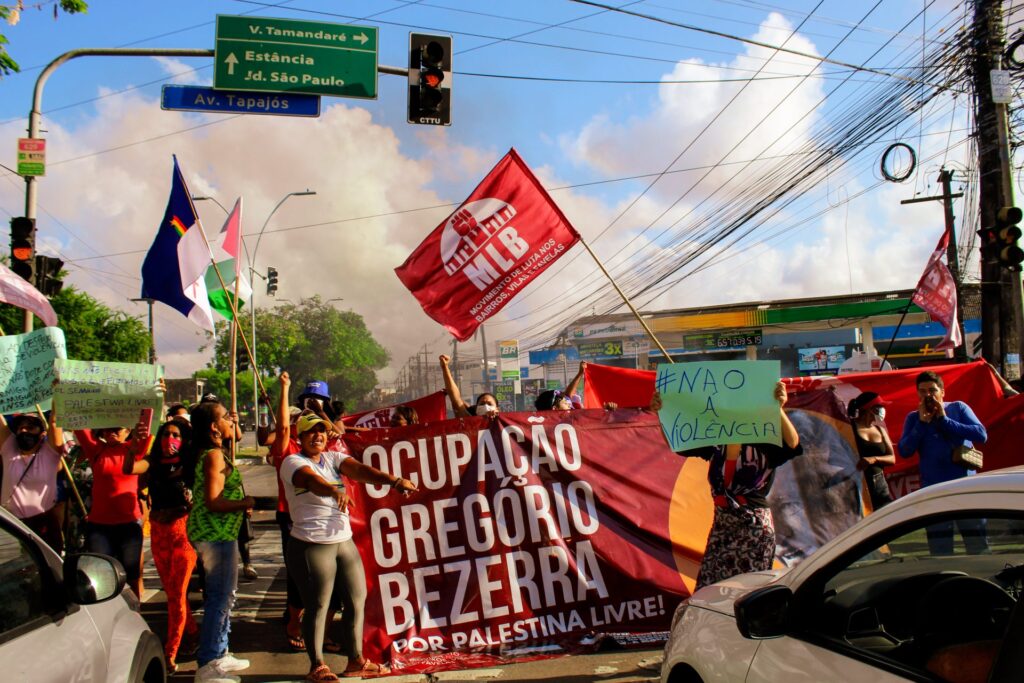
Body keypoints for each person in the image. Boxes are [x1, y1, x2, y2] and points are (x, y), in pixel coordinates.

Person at [282, 412, 417, 681]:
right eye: (310, 432)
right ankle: (317, 665)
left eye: (321, 431)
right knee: (318, 605)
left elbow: (360, 470)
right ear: (300, 437)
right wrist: (333, 492)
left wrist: (393, 480)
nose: (317, 436)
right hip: (311, 543)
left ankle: (356, 660)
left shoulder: (333, 458)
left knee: (357, 600)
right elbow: (310, 481)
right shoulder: (292, 461)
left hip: (343, 541)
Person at [653, 381, 802, 589]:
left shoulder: (764, 440)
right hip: (722, 527)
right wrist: (663, 412)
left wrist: (778, 408)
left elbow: (793, 442)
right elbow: (677, 442)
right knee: (709, 591)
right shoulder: (716, 440)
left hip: (754, 530)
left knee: (746, 593)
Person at [187, 400, 256, 682]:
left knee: (224, 596)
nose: (232, 420)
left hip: (220, 534)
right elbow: (214, 501)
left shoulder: (215, 453)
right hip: (215, 535)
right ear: (214, 427)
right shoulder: (214, 456)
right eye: (226, 417)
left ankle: (221, 652)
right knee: (220, 597)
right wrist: (244, 503)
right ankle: (209, 663)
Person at [130, 417, 199, 673]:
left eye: (176, 435)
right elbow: (130, 469)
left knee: (178, 595)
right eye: (166, 434)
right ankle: (191, 631)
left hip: (183, 533)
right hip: (158, 533)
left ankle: (171, 651)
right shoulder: (153, 464)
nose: (170, 439)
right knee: (171, 593)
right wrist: (136, 443)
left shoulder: (190, 464)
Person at [898, 370, 988, 555]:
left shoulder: (958, 408)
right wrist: (922, 424)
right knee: (940, 550)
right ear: (917, 394)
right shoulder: (914, 418)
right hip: (934, 491)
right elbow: (904, 451)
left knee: (977, 545)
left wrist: (944, 420)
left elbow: (981, 435)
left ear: (942, 392)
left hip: (965, 488)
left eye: (932, 390)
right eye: (922, 391)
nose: (928, 395)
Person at [74, 419, 151, 598]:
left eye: (117, 429)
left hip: (129, 524)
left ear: (128, 431)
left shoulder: (135, 450)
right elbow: (78, 424)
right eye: (107, 428)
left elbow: (149, 424)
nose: (112, 432)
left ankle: (133, 612)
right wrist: (63, 393)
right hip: (99, 526)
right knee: (102, 575)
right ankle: (107, 612)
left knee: (132, 574)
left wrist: (159, 395)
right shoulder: (96, 450)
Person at [0, 411, 66, 553]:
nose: (23, 430)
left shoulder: (49, 454)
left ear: (42, 434)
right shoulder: (9, 450)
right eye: (20, 428)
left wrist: (57, 392)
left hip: (43, 527)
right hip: (11, 526)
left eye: (30, 428)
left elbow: (54, 422)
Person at [847, 392, 896, 510]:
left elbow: (892, 458)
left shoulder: (880, 430)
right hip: (856, 486)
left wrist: (873, 459)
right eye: (880, 406)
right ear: (869, 409)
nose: (883, 410)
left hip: (879, 486)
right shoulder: (849, 427)